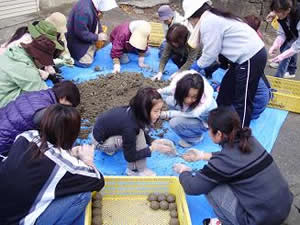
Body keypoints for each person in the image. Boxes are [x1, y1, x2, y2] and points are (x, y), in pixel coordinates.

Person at [173, 107, 296, 225]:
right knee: (221, 178)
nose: (209, 133)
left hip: (260, 221)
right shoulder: (249, 140)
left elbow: (193, 187)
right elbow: (234, 159)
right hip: (284, 207)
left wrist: (184, 171)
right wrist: (203, 155)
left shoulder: (223, 163)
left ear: (219, 134)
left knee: (210, 187)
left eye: (210, 129)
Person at [0, 104, 104, 225]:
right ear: (72, 134)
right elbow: (98, 181)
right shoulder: (64, 166)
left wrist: (68, 154)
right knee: (83, 195)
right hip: (18, 220)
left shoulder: (26, 136)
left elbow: (50, 155)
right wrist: (87, 159)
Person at [183, 0, 267, 128]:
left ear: (193, 16)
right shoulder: (212, 16)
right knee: (225, 92)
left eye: (189, 20)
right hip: (240, 58)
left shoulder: (209, 21)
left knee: (242, 100)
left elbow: (210, 53)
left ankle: (240, 134)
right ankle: (216, 121)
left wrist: (197, 66)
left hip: (251, 57)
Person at [92, 87, 175, 176]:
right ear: (145, 111)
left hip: (102, 131)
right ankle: (134, 170)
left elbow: (140, 128)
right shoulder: (130, 127)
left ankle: (113, 145)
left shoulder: (135, 112)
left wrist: (153, 141)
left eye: (160, 110)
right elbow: (130, 156)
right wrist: (153, 148)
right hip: (99, 143)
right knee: (136, 137)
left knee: (137, 133)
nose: (159, 114)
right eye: (156, 111)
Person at [0, 81, 80, 158]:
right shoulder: (46, 113)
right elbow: (57, 138)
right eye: (70, 106)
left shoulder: (40, 94)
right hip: (4, 143)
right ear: (63, 98)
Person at [158, 70, 217, 148]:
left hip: (204, 121)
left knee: (174, 123)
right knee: (169, 99)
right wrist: (158, 91)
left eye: (194, 97)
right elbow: (170, 89)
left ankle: (194, 138)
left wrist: (167, 114)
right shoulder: (180, 88)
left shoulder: (204, 103)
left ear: (200, 94)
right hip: (191, 111)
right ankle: (184, 123)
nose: (188, 100)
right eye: (186, 95)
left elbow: (191, 114)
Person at [0, 35, 56, 108]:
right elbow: (42, 91)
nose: (44, 65)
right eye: (43, 61)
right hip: (2, 99)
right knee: (36, 98)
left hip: (4, 88)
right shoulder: (25, 67)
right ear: (37, 57)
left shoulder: (16, 51)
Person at [66, 0, 117, 67]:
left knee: (93, 53)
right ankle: (72, 58)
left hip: (85, 34)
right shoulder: (84, 11)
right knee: (86, 63)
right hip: (76, 40)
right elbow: (80, 33)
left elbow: (97, 21)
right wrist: (97, 37)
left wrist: (100, 31)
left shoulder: (92, 5)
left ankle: (89, 48)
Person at [269, 0, 300, 79]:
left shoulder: (297, 15)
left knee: (288, 49)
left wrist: (282, 56)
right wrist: (275, 45)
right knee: (286, 48)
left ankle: (278, 78)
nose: (276, 15)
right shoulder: (283, 13)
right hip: (294, 30)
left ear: (288, 10)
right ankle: (279, 78)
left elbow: (298, 44)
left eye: (278, 13)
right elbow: (282, 33)